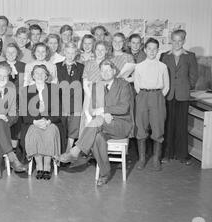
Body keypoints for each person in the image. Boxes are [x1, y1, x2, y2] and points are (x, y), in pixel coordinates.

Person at [58, 59, 133, 186]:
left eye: (109, 70)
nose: (106, 73)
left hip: (120, 124)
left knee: (98, 121)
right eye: (103, 70)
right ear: (100, 73)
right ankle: (105, 174)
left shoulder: (123, 85)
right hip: (101, 125)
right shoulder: (96, 86)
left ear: (114, 71)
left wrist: (104, 110)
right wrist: (104, 115)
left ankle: (75, 150)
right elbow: (92, 110)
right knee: (98, 138)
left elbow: (124, 107)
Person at [160, 29, 198, 165]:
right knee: (168, 124)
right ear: (171, 40)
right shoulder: (164, 56)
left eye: (180, 40)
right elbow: (161, 75)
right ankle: (167, 154)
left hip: (183, 95)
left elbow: (194, 76)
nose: (177, 43)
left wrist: (186, 87)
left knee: (181, 125)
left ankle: (183, 155)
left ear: (184, 41)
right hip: (168, 95)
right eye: (174, 40)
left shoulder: (190, 56)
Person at [20, 65, 65, 180]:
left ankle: (47, 165)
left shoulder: (55, 89)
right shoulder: (25, 90)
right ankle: (39, 164)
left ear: (46, 76)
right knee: (35, 133)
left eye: (42, 73)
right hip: (32, 122)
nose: (39, 75)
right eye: (36, 73)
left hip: (51, 122)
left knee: (49, 132)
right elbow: (24, 113)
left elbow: (58, 111)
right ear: (33, 76)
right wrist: (35, 121)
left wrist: (48, 120)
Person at [133, 38, 170, 171]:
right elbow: (137, 85)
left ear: (158, 50)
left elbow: (166, 86)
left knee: (158, 127)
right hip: (143, 96)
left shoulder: (163, 66)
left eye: (155, 49)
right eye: (149, 48)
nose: (152, 51)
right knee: (141, 127)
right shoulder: (139, 66)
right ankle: (142, 159)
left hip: (157, 97)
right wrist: (143, 94)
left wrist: (158, 96)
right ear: (145, 50)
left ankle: (156, 159)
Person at [56, 42, 84, 152]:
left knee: (74, 127)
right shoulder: (57, 66)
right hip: (61, 101)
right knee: (62, 126)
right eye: (68, 52)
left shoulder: (81, 67)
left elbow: (82, 86)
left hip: (76, 101)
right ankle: (61, 150)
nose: (70, 55)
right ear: (64, 52)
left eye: (73, 53)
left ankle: (68, 151)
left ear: (76, 53)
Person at [5, 42, 26, 153]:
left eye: (13, 52)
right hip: (4, 100)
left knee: (17, 125)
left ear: (17, 53)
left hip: (19, 100)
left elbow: (24, 85)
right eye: (8, 52)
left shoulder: (23, 66)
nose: (11, 54)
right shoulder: (0, 64)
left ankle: (14, 150)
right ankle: (6, 150)